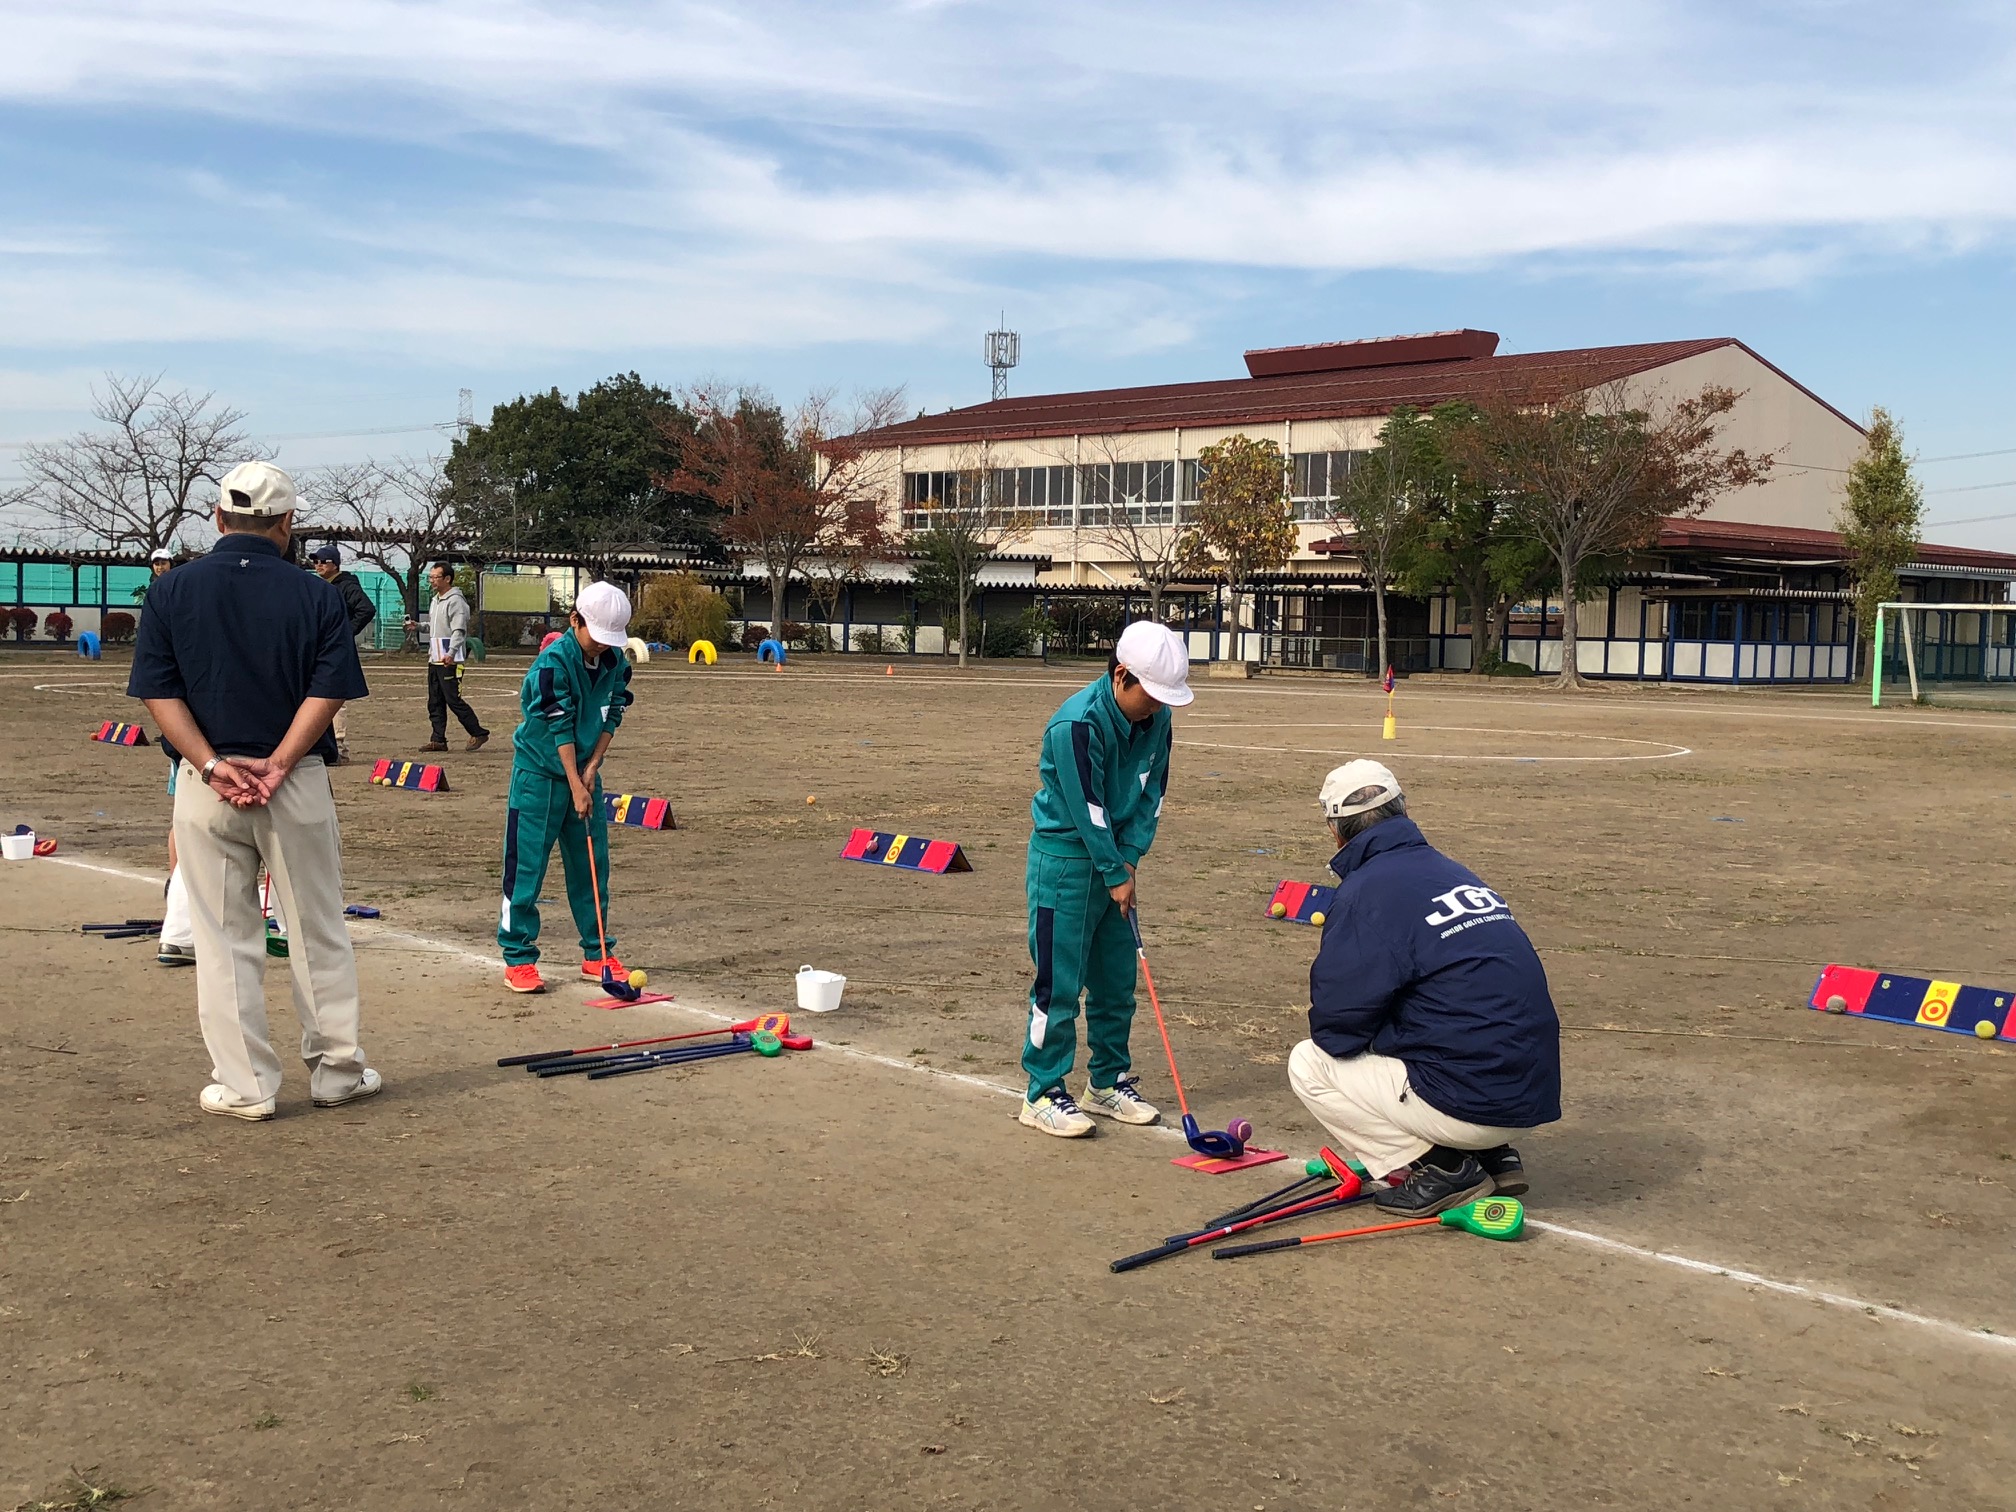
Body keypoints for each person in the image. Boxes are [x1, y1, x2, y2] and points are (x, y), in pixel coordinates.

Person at [127, 460, 379, 1121]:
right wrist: (281, 762)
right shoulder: (318, 595)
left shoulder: (171, 590)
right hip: (293, 783)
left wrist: (212, 764)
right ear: (287, 523)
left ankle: (246, 1085)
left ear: (218, 517)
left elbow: (159, 692)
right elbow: (329, 689)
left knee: (222, 936)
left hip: (205, 784)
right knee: (316, 929)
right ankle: (337, 1072)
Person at [1289, 759, 1561, 1215]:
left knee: (1309, 1064)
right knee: (1441, 1013)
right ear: (1404, 809)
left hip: (1472, 1103)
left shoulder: (1364, 894)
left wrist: (1381, 1036)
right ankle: (1494, 1156)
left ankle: (1443, 1168)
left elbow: (1336, 1028)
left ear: (1336, 831)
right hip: (1530, 1092)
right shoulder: (1453, 872)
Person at [1018, 620, 1191, 1138]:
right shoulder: (1075, 725)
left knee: (1116, 983)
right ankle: (1042, 1092)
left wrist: (1130, 858)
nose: (1157, 707)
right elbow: (1086, 806)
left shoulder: (1157, 720)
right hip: (1065, 866)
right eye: (1151, 695)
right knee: (1059, 986)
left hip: (1118, 864)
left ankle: (1107, 1082)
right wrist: (1116, 870)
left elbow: (1152, 794)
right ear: (1121, 677)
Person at [496, 581, 635, 994]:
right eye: (597, 635)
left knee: (591, 867)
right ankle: (518, 957)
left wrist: (593, 767)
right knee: (526, 869)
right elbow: (560, 727)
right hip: (538, 776)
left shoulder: (615, 661)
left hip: (584, 776)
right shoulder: (552, 666)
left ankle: (597, 952)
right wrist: (575, 783)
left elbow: (613, 713)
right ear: (575, 620)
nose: (602, 645)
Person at [406, 563, 488, 753]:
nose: (432, 581)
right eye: (431, 577)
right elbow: (434, 626)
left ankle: (478, 732)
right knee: (435, 700)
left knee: (453, 699)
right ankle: (438, 739)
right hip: (435, 657)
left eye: (436, 577)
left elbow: (459, 630)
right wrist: (418, 626)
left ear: (447, 579)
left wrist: (451, 653)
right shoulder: (436, 600)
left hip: (450, 659)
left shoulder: (456, 602)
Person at [309, 544, 378, 764]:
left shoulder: (346, 585)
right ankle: (327, 745)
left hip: (337, 647)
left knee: (334, 696)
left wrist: (346, 631)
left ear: (335, 564)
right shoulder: (323, 586)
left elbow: (366, 608)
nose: (318, 565)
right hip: (323, 646)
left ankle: (339, 747)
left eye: (323, 561)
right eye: (316, 561)